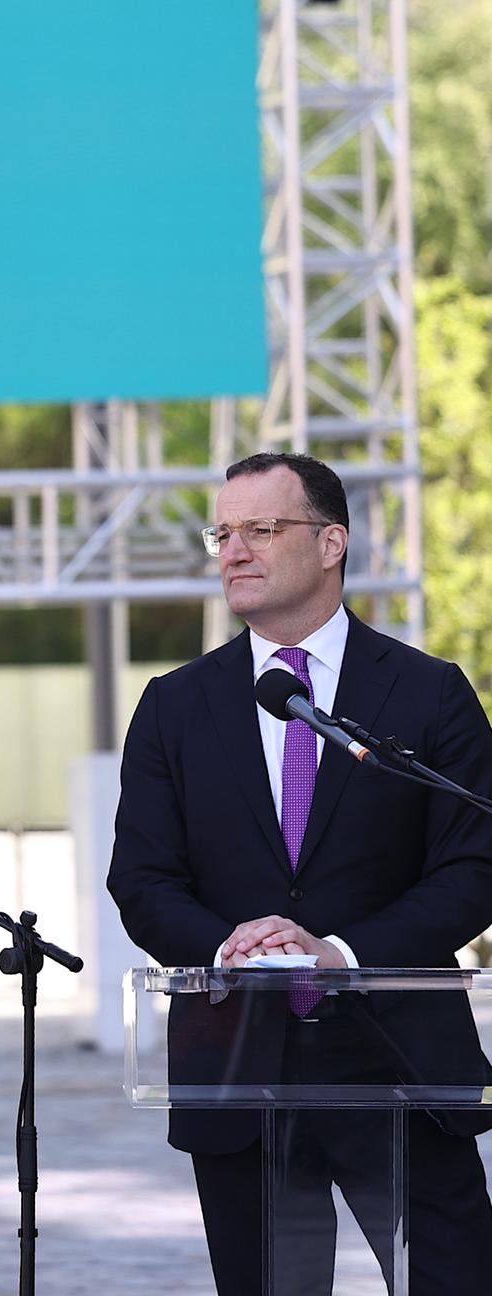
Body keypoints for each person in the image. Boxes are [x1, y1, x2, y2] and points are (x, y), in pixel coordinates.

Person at [107, 453, 492, 1296]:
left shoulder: (429, 695)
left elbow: (473, 866)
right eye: (223, 532)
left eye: (260, 529)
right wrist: (232, 944)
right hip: (240, 1067)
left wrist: (341, 952)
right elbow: (141, 879)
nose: (232, 551)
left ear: (331, 544)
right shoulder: (175, 705)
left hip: (401, 1063)